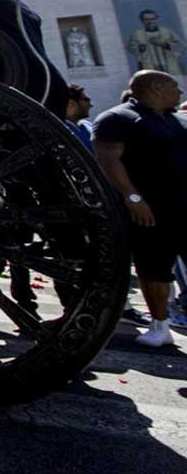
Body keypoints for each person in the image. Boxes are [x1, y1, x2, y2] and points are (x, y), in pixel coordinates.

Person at [94, 70, 187, 347]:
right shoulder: (117, 118)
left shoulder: (177, 120)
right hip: (150, 208)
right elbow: (109, 160)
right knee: (154, 268)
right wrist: (133, 198)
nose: (179, 91)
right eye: (174, 85)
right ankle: (160, 326)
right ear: (156, 88)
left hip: (184, 205)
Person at [64, 85, 93, 150]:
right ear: (71, 104)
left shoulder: (87, 124)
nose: (91, 105)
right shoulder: (62, 131)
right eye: (86, 100)